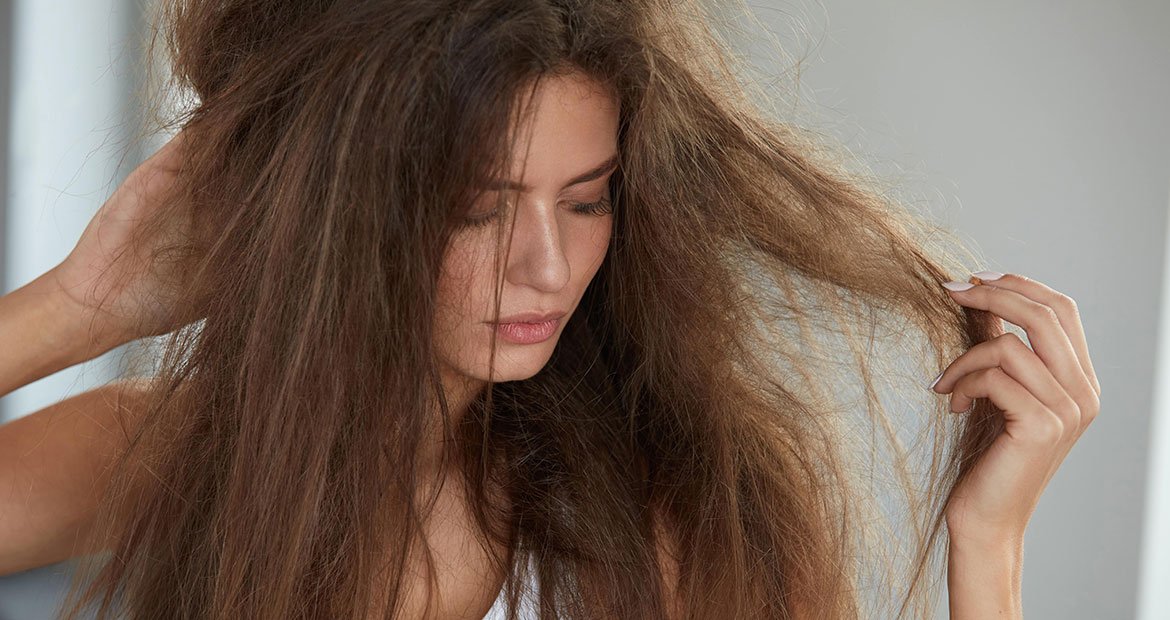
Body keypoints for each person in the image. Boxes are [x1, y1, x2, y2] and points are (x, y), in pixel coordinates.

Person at [0, 0, 1101, 618]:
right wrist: (76, 305)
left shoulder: (675, 520)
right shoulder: (177, 453)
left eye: (587, 200)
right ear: (342, 218)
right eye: (477, 210)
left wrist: (987, 546)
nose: (546, 266)